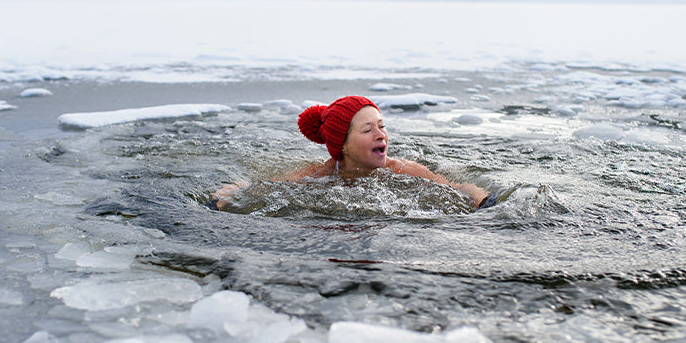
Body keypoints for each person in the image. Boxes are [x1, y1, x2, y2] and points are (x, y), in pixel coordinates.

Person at [210, 95, 495, 211]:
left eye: (382, 127)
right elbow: (265, 190)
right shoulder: (319, 174)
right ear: (342, 145)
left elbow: (457, 189)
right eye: (367, 129)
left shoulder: (402, 169)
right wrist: (228, 195)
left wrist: (482, 200)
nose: (380, 134)